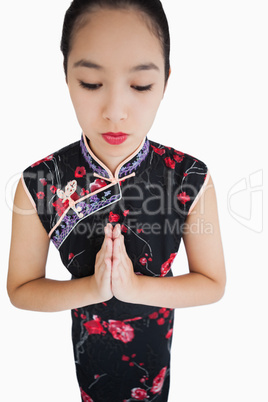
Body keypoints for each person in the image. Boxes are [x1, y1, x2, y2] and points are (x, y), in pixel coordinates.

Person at [7, 0, 226, 400]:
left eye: (141, 86)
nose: (115, 112)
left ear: (166, 81)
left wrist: (134, 289)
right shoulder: (39, 183)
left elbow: (212, 284)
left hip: (154, 357)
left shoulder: (190, 177)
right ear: (67, 76)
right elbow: (21, 289)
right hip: (90, 360)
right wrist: (93, 289)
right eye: (91, 83)